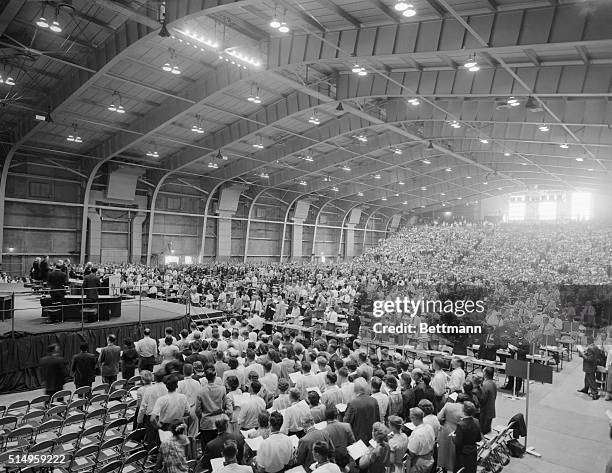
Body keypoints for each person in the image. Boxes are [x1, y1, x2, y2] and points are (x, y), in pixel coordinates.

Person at [196, 363, 228, 451]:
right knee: (219, 447)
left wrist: (202, 417)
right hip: (219, 421)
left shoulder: (201, 391)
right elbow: (225, 405)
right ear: (215, 376)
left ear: (206, 377)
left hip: (206, 422)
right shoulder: (222, 389)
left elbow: (198, 410)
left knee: (206, 448)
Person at [345, 378, 380, 443]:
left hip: (357, 438)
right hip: (371, 436)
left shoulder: (353, 403)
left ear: (355, 389)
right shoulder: (374, 400)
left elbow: (346, 422)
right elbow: (378, 419)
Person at [452, 401, 481, 473]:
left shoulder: (461, 425)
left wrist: (453, 436)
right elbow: (478, 439)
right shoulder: (477, 421)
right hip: (473, 452)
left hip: (462, 454)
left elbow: (457, 442)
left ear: (463, 411)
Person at [406, 407, 435, 473]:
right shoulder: (429, 427)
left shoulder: (416, 433)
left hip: (419, 463)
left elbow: (412, 453)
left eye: (411, 417)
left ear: (414, 418)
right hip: (429, 459)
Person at [479, 367, 497, 434]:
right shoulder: (493, 384)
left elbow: (482, 399)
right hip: (491, 410)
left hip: (485, 412)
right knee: (487, 430)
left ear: (485, 373)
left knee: (483, 431)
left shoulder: (485, 385)